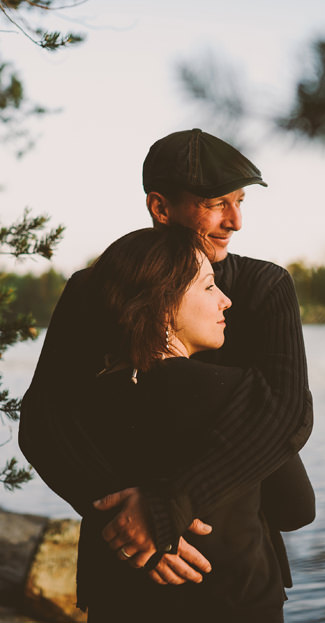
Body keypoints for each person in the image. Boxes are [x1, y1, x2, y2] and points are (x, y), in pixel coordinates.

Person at [19, 128, 315, 617]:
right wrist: (128, 526)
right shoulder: (92, 290)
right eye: (217, 203)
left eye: (239, 202)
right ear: (161, 207)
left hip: (233, 573)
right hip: (127, 573)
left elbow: (284, 416)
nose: (235, 220)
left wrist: (169, 507)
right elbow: (45, 423)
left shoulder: (264, 287)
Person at [74, 226, 288, 622]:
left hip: (117, 604)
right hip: (234, 605)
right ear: (163, 304)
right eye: (209, 288)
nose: (226, 300)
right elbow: (297, 508)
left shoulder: (79, 403)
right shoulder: (239, 392)